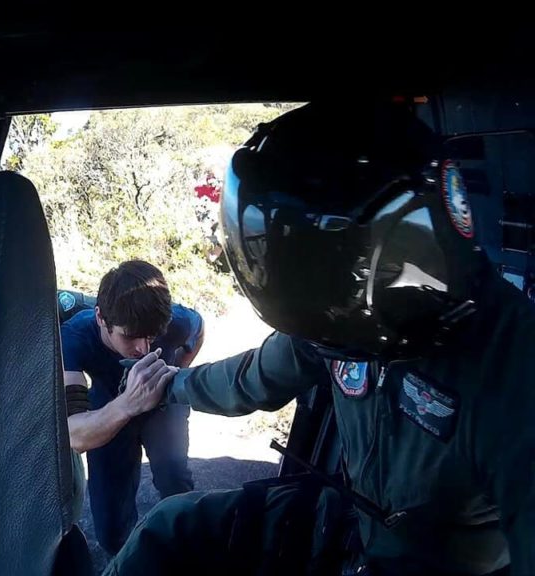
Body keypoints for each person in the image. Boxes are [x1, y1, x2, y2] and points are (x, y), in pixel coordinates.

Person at [104, 102, 535, 575]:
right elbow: (253, 378)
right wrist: (169, 385)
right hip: (353, 529)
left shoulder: (511, 370)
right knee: (170, 527)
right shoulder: (337, 322)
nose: (317, 329)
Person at [61, 260, 204, 555]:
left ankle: (185, 547)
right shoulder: (74, 338)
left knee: (173, 477)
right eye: (129, 336)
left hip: (162, 398)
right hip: (111, 401)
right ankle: (128, 558)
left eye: (151, 336)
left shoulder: (176, 320)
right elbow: (73, 434)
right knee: (110, 522)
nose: (143, 349)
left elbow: (198, 326)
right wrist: (128, 404)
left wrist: (178, 370)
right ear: (100, 317)